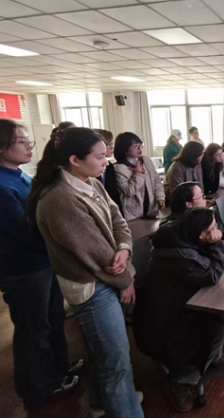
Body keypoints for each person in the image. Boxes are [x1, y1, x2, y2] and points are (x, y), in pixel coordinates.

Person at [29, 128, 144, 418]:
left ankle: (101, 402)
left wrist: (125, 248)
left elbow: (117, 219)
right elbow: (95, 254)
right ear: (74, 160)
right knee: (117, 359)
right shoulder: (60, 198)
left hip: (108, 277)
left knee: (105, 353)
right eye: (100, 156)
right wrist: (125, 280)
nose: (106, 161)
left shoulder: (89, 181)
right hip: (92, 286)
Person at [0, 119, 80, 407]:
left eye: (29, 141)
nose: (29, 146)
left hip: (44, 261)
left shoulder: (19, 175)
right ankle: (39, 387)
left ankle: (58, 369)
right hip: (24, 268)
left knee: (53, 319)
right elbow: (24, 233)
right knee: (33, 330)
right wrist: (67, 243)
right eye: (22, 141)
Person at [133, 208, 224, 413]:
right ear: (200, 234)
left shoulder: (181, 235)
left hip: (177, 304)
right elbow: (211, 276)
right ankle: (180, 381)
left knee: (219, 314)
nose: (217, 230)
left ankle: (211, 358)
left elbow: (199, 255)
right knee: (216, 318)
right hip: (164, 320)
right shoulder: (178, 255)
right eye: (212, 228)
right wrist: (217, 245)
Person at [114, 132, 166, 221]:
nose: (139, 149)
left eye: (141, 145)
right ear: (125, 148)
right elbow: (129, 191)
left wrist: (160, 196)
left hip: (151, 208)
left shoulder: (146, 160)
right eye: (135, 147)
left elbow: (156, 180)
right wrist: (138, 173)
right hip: (133, 213)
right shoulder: (119, 168)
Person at [93, 129, 123, 215]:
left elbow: (113, 194)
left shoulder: (109, 166)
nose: (111, 147)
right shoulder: (90, 167)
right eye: (107, 144)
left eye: (112, 143)